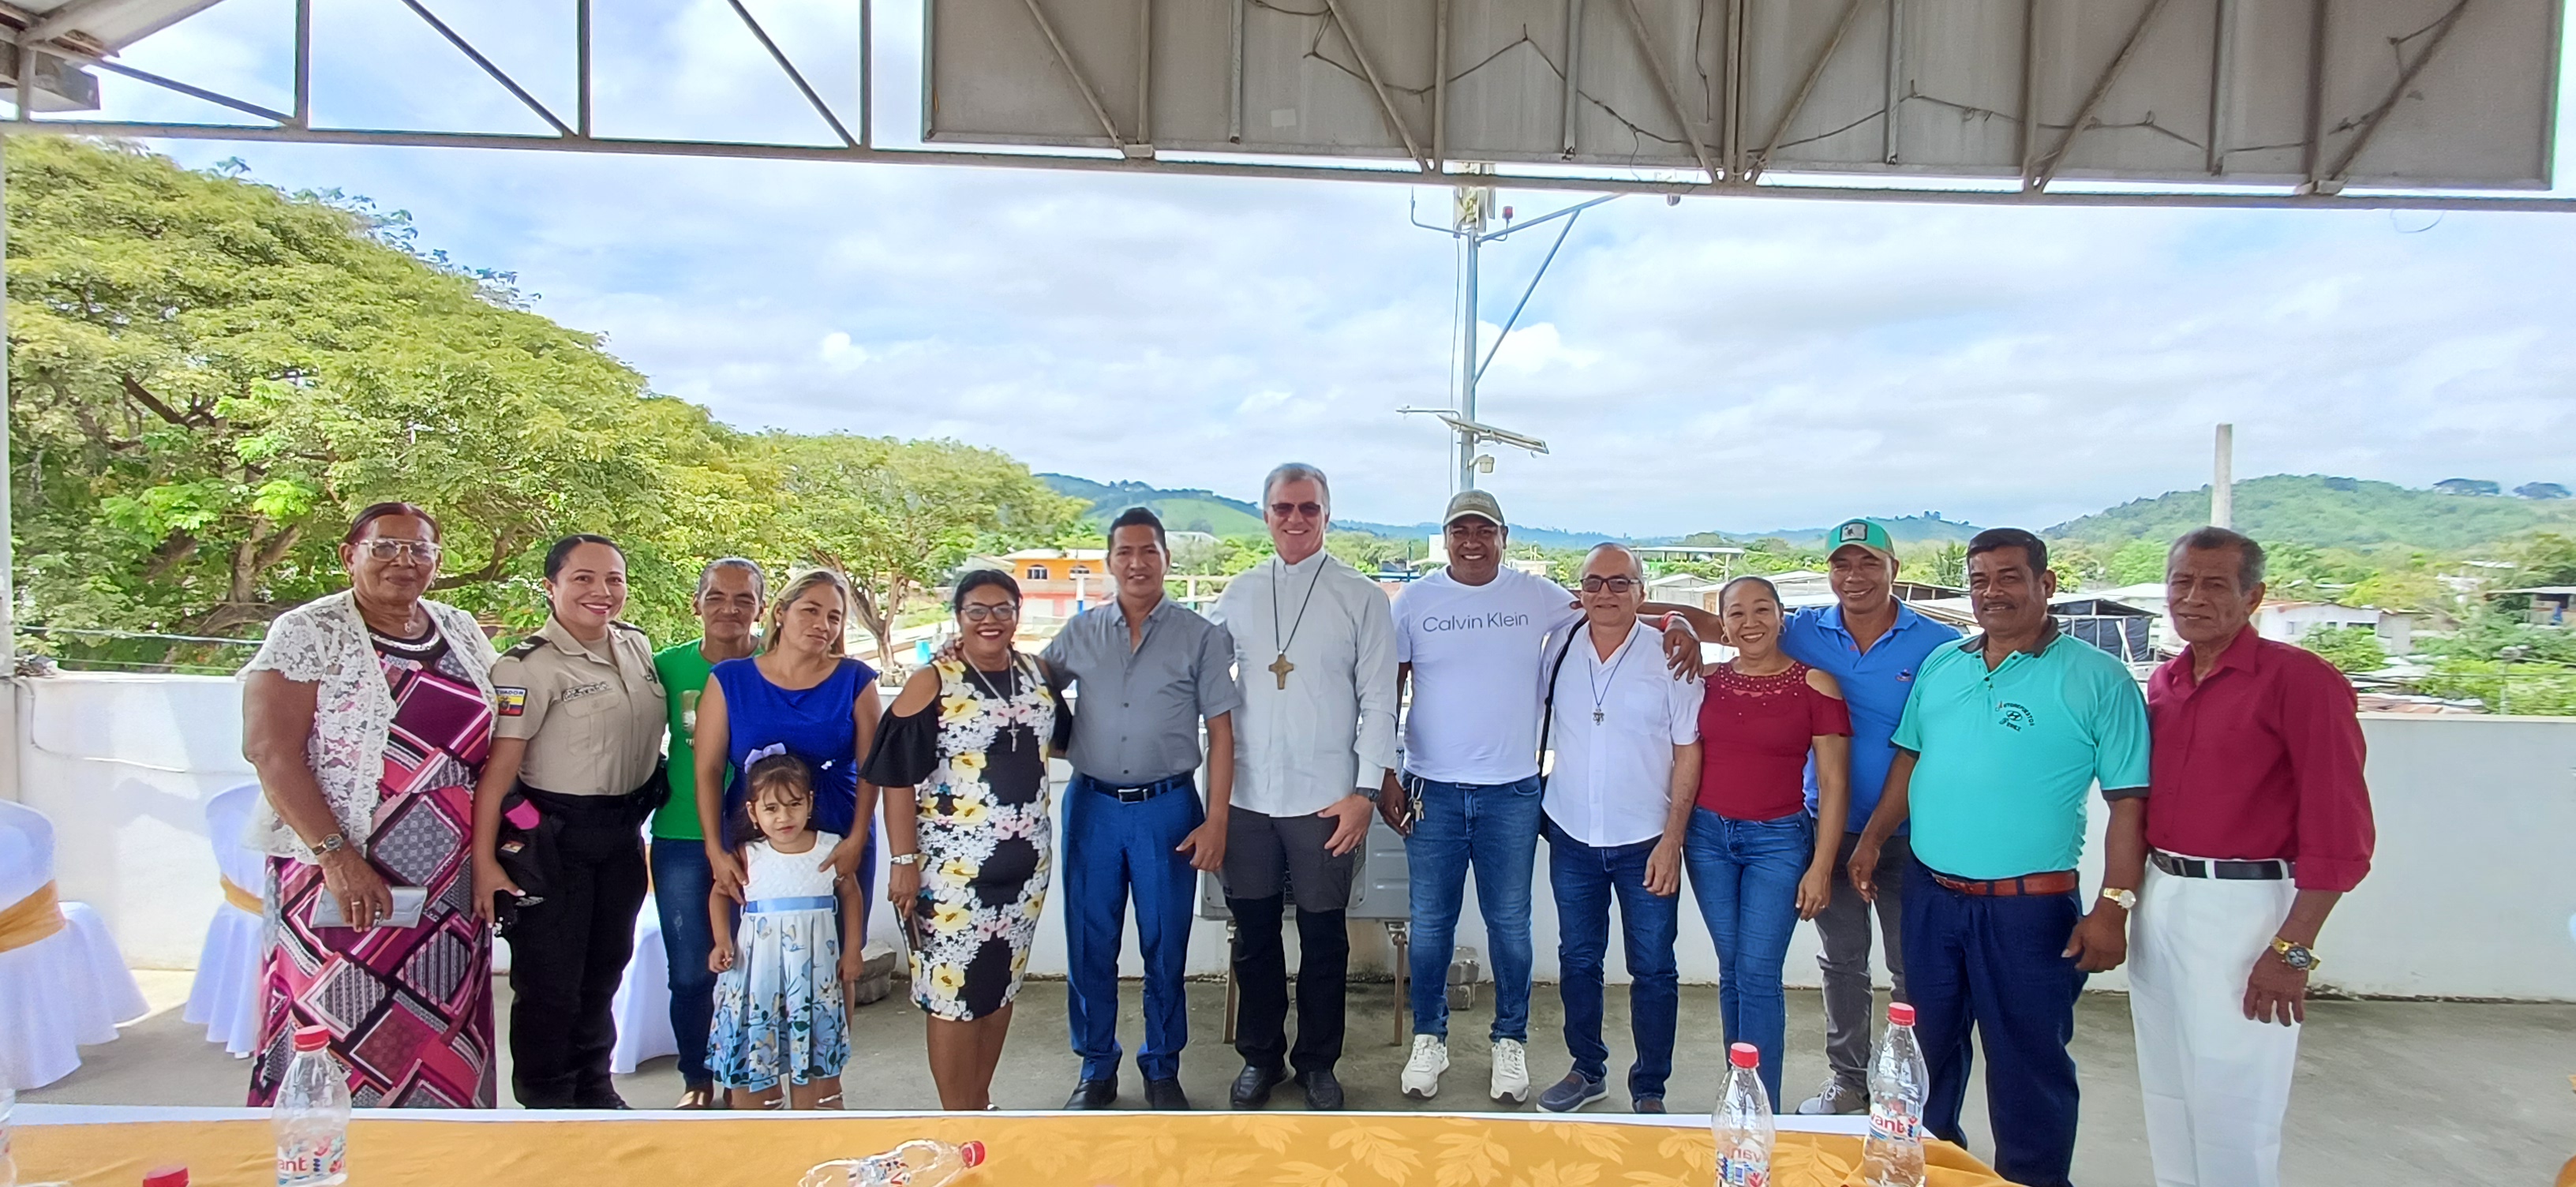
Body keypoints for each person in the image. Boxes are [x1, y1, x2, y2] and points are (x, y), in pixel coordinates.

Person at [1849, 527, 2148, 1187]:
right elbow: (1910, 758)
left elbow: (2130, 803)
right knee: (1924, 1056)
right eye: (1980, 579)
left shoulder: (2099, 678)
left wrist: (2114, 907)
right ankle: (1927, 1172)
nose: (1992, 592)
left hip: (2028, 909)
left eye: (2009, 576)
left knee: (2028, 1067)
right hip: (1931, 896)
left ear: (2047, 584)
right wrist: (1872, 838)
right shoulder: (1944, 664)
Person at [1382, 490, 1698, 1105]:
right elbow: (1389, 686)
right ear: (1445, 538)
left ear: (1504, 537)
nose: (1472, 541)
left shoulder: (1536, 595)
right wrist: (1386, 772)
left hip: (1513, 791)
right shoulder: (1415, 601)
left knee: (1511, 926)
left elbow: (1613, 605)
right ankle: (1429, 1038)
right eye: (1460, 531)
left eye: (1485, 530)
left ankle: (1510, 1041)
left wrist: (1678, 622)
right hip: (1430, 789)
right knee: (1431, 926)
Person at [1651, 517, 1961, 1116]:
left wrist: (1819, 864)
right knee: (1821, 964)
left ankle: (1910, 1097)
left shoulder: (1938, 643)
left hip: (1904, 830)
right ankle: (1828, 1086)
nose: (1856, 575)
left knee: (1911, 969)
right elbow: (1698, 623)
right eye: (1843, 564)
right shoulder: (1802, 632)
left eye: (1869, 562)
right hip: (1792, 832)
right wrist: (1673, 621)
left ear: (1894, 569)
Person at [2133, 527, 2375, 1187]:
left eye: (2215, 584)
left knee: (2235, 1096)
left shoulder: (2302, 682)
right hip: (2164, 891)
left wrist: (2293, 951)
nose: (2193, 597)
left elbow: (2340, 828)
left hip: (2245, 906)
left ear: (2253, 596)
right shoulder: (2167, 682)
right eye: (2182, 582)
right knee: (2168, 1084)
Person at [241, 503, 500, 1108]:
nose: (403, 561)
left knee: (441, 1018)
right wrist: (336, 857)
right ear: (349, 555)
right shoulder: (310, 631)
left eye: (420, 549)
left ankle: (441, 1147)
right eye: (384, 547)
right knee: (337, 1015)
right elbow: (270, 750)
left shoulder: (458, 627)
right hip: (344, 862)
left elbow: (506, 725)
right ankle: (329, 1142)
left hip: (448, 877)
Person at [1208, 462, 1398, 1111]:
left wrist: (1365, 793)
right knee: (1254, 938)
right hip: (1248, 797)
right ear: (1265, 515)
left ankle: (1318, 1062)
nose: (1296, 519)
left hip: (1328, 799)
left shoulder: (1361, 596)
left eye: (1308, 508)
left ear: (1327, 514)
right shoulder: (1239, 592)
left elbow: (1380, 701)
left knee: (1323, 940)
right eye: (1283, 508)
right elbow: (1197, 674)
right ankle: (1260, 1058)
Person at [1040, 507, 1241, 1112]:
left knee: (1165, 944)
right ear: (1109, 561)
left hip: (1168, 810)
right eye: (1124, 552)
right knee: (1089, 942)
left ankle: (1161, 1066)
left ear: (1166, 559)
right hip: (1092, 808)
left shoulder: (1198, 636)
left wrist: (1217, 819)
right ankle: (1096, 1067)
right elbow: (1028, 690)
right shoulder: (1080, 633)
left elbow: (1222, 733)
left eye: (1148, 550)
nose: (1136, 563)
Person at [471, 534, 670, 1110]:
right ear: (550, 586)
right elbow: (497, 774)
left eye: (613, 579)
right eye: (582, 578)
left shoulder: (635, 645)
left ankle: (594, 1088)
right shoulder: (527, 666)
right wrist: (484, 864)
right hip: (554, 837)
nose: (601, 591)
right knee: (549, 981)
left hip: (621, 833)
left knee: (605, 969)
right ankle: (547, 1102)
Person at [863, 569, 1068, 1110]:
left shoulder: (1038, 674)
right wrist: (903, 861)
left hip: (1025, 870)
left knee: (999, 986)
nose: (990, 620)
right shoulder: (933, 680)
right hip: (951, 874)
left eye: (1002, 609)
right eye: (977, 610)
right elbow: (895, 776)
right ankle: (957, 1118)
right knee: (952, 993)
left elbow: (1064, 740)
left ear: (1018, 614)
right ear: (959, 616)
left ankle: (980, 1104)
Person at [1534, 544, 1704, 1115]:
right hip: (1571, 834)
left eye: (1619, 582)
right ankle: (1587, 1070)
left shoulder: (1671, 657)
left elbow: (1688, 751)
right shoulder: (1558, 647)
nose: (1605, 593)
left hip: (1646, 841)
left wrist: (1673, 840)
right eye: (1593, 582)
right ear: (1579, 589)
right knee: (1578, 960)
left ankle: (1650, 1088)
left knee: (1653, 967)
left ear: (1641, 591)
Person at [1682, 575, 1852, 1108]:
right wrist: (1677, 620)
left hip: (1778, 842)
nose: (1749, 622)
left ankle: (1760, 1109)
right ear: (1723, 624)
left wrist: (1821, 867)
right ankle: (1740, 1088)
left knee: (1757, 973)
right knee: (1732, 969)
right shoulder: (1707, 680)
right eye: (1736, 612)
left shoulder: (1816, 685)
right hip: (1707, 838)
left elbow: (1834, 783)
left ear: (1782, 618)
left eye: (1761, 610)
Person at [691, 569, 882, 919]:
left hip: (838, 832)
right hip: (752, 835)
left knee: (837, 940)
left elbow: (872, 768)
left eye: (834, 617)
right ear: (780, 612)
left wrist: (857, 839)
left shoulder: (856, 679)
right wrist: (715, 850)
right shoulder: (729, 680)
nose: (822, 624)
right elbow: (708, 770)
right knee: (753, 940)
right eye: (810, 610)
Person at [653, 556, 766, 1110]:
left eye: (744, 599)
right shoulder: (666, 668)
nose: (730, 609)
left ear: (761, 609)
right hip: (681, 839)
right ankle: (697, 1078)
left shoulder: (778, 664)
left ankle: (750, 1077)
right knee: (691, 971)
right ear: (695, 603)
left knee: (757, 969)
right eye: (717, 597)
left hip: (764, 842)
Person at [706, 750, 866, 1110]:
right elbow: (719, 894)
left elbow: (851, 895)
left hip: (813, 976)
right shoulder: (748, 855)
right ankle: (763, 1108)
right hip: (758, 975)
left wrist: (853, 949)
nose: (784, 817)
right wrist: (721, 941)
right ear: (753, 812)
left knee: (809, 1049)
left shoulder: (830, 848)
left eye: (794, 805)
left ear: (809, 802)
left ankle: (810, 1115)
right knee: (759, 1042)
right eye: (772, 809)